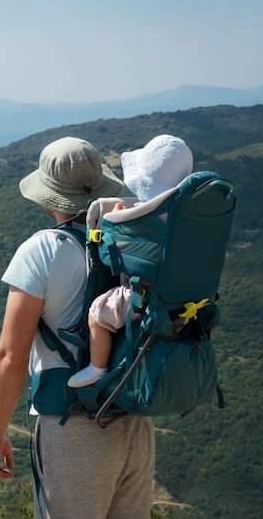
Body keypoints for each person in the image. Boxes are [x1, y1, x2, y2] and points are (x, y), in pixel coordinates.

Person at [0, 136, 156, 518]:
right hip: (134, 422)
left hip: (73, 426)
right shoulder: (131, 243)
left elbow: (11, 356)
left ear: (49, 196)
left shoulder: (42, 250)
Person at [67, 134, 194, 388]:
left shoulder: (141, 219)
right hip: (184, 295)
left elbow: (108, 254)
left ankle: (97, 367)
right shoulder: (189, 218)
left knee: (97, 313)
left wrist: (116, 220)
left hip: (144, 295)